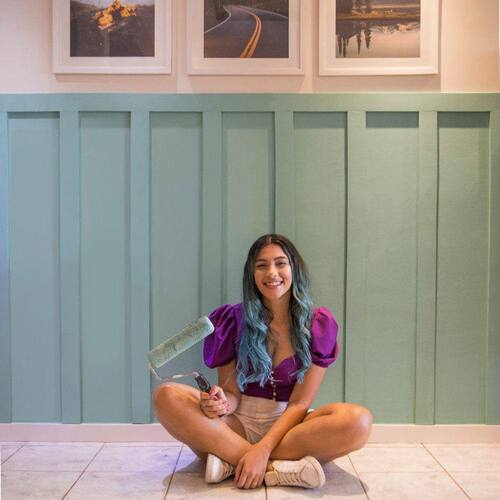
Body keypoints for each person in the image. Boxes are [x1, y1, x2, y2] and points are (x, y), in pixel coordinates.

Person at [153, 234, 372, 489]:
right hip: (237, 424)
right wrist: (221, 403)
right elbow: (232, 393)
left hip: (290, 428)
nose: (272, 273)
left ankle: (233, 461)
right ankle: (277, 469)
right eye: (261, 265)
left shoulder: (318, 324)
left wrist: (264, 448)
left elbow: (300, 404)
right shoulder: (232, 319)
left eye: (280, 263)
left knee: (359, 421)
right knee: (166, 396)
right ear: (252, 274)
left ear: (294, 269)